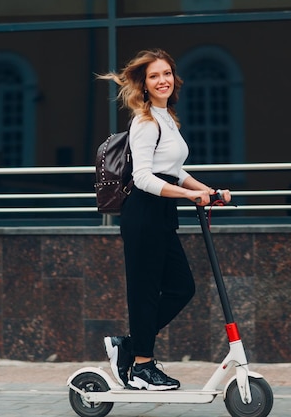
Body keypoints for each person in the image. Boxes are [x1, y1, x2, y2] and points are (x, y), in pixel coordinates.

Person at [97, 48, 231, 391]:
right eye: (155, 76)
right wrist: (188, 195)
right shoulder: (144, 122)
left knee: (181, 287)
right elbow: (143, 177)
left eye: (167, 74)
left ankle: (128, 344)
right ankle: (142, 365)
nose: (162, 80)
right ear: (144, 83)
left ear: (175, 79)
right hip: (143, 211)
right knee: (145, 291)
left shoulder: (167, 118)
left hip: (161, 213)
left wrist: (209, 190)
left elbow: (172, 170)